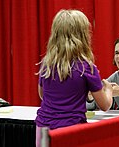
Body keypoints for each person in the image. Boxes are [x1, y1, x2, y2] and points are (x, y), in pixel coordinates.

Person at [35, 9, 113, 146]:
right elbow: (105, 105)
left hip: (43, 130)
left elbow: (42, 95)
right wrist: (108, 90)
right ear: (83, 35)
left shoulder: (47, 65)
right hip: (71, 129)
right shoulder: (86, 68)